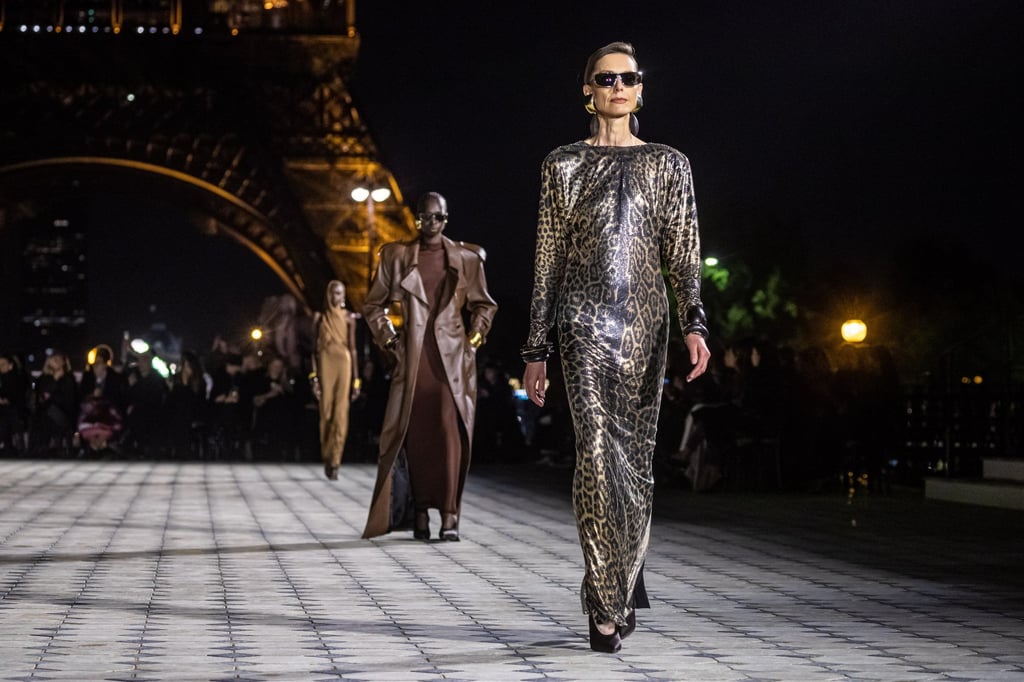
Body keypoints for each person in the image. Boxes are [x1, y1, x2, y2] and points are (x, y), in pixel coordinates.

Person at [520, 42, 711, 653]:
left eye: (629, 78)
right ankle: (606, 606)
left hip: (645, 326)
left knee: (635, 464)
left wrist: (694, 324)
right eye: (606, 78)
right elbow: (547, 261)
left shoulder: (668, 164)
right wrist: (535, 347)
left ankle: (618, 580)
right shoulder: (562, 165)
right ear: (588, 90)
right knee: (597, 450)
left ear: (641, 90)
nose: (618, 86)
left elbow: (682, 251)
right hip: (580, 322)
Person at [362, 191, 497, 542]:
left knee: (448, 435)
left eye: (436, 218)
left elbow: (485, 305)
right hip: (414, 359)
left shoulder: (467, 258)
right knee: (416, 438)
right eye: (423, 217)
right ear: (416, 219)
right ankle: (421, 513)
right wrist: (391, 341)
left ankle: (449, 515)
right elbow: (373, 305)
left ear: (446, 220)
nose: (430, 224)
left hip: (451, 360)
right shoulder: (397, 256)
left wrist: (473, 340)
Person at [311, 280, 360, 479]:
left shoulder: (349, 318)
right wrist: (313, 378)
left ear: (344, 296)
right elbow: (313, 351)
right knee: (326, 412)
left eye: (339, 293)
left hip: (344, 365)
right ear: (327, 294)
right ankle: (327, 456)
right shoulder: (319, 318)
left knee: (341, 413)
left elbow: (354, 349)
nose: (335, 297)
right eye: (332, 293)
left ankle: (335, 461)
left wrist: (356, 380)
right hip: (325, 364)